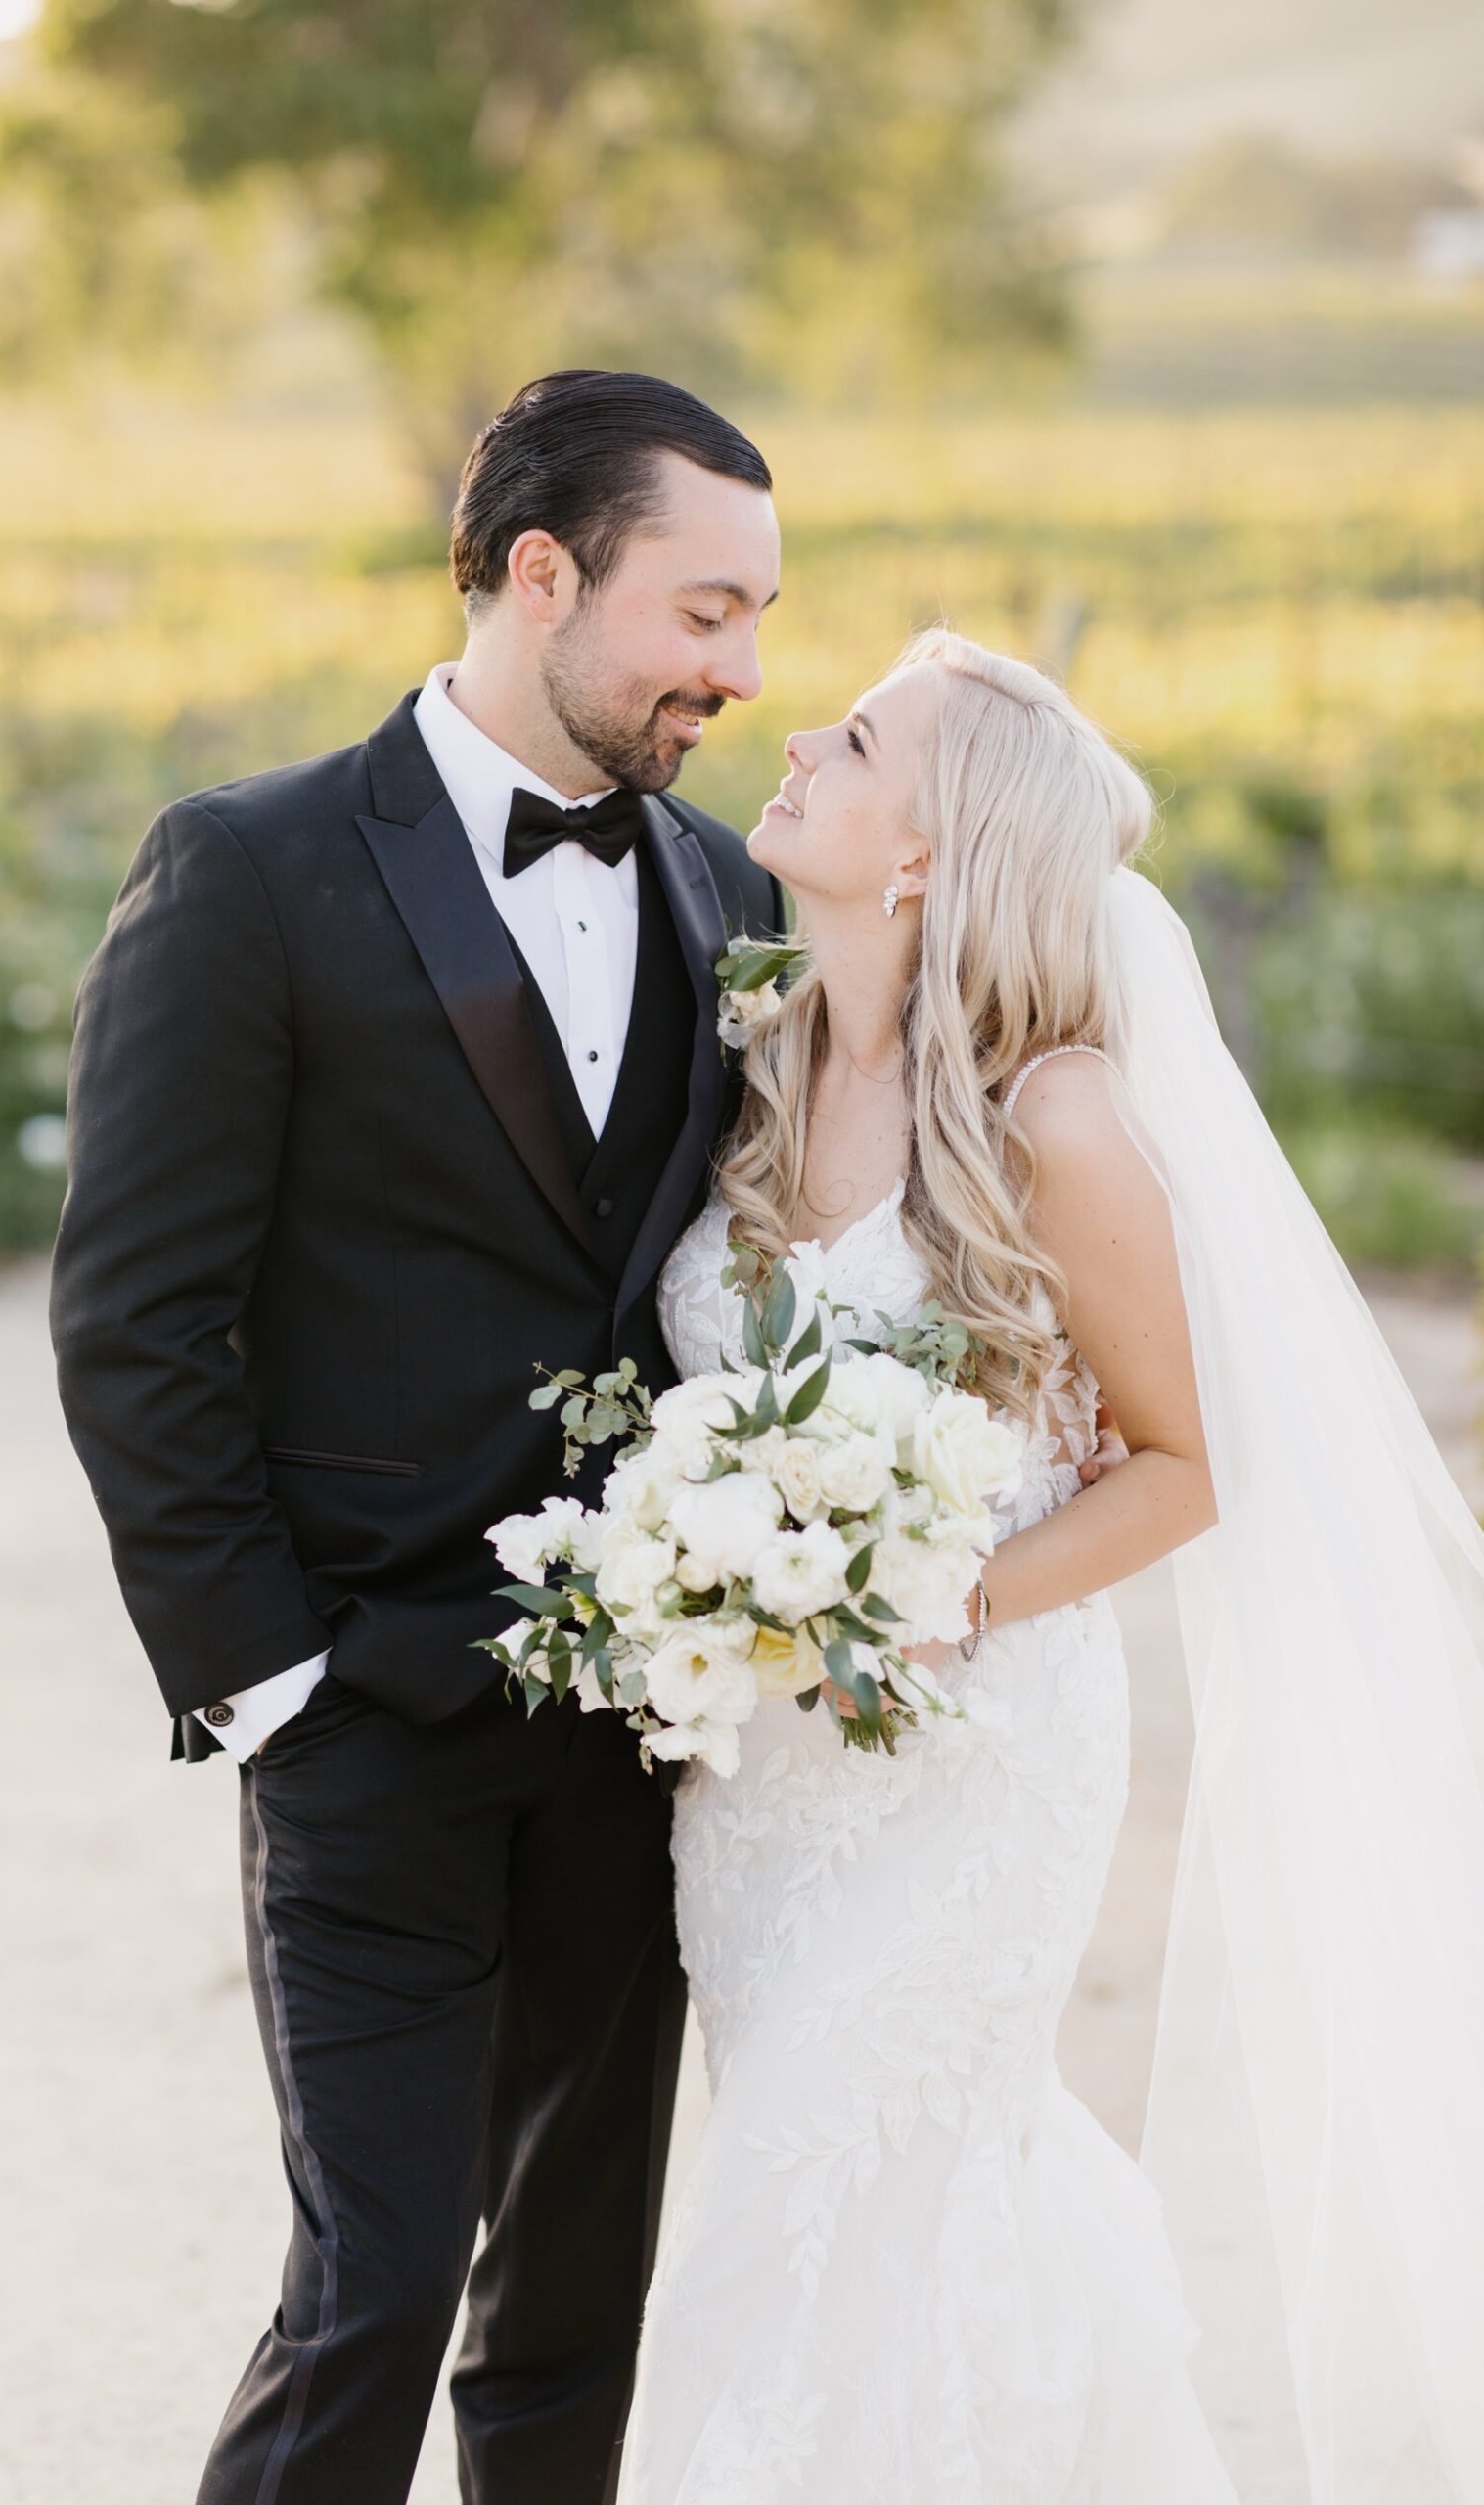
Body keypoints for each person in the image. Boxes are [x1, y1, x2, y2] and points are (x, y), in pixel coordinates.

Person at [622, 628, 1484, 2501]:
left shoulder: (1053, 1118)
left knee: (805, 2211)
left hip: (967, 1760)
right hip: (757, 1776)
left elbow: (1186, 1468)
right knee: (886, 2213)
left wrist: (939, 1596)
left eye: (850, 742)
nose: (794, 744)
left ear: (925, 852)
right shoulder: (754, 1052)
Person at [49, 369, 784, 2505]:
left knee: (570, 2303)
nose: (738, 671)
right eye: (705, 611)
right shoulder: (249, 867)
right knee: (371, 2283)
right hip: (357, 1696)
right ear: (539, 571)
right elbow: (136, 1314)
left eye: (754, 620)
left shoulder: (729, 887)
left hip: (636, 1728)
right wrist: (263, 1674)